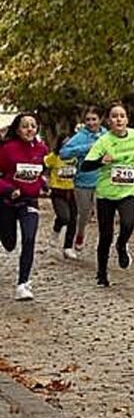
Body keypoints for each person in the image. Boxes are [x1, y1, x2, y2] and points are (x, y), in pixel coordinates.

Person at [80, 103, 134, 287]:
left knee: (128, 224)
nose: (118, 119)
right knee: (106, 235)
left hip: (128, 191)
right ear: (108, 121)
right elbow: (85, 166)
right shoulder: (103, 141)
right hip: (106, 193)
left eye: (122, 116)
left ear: (127, 119)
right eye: (114, 116)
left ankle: (122, 245)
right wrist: (100, 161)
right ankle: (102, 273)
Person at [0, 113, 49, 300]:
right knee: (9, 243)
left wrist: (43, 185)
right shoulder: (7, 149)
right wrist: (9, 189)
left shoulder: (41, 149)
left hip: (29, 202)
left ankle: (23, 284)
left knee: (29, 238)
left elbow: (39, 173)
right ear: (18, 129)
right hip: (7, 203)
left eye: (33, 126)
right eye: (25, 126)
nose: (30, 129)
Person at [59, 107, 106, 251]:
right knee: (84, 214)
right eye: (88, 120)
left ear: (100, 120)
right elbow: (63, 153)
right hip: (83, 182)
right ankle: (80, 234)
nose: (91, 123)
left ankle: (104, 242)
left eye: (94, 119)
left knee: (104, 214)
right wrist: (86, 148)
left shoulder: (107, 135)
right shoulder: (80, 136)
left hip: (104, 181)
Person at [45, 134, 80, 259]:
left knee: (73, 219)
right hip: (58, 192)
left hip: (72, 191)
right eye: (64, 143)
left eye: (70, 144)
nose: (67, 146)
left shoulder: (76, 157)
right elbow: (42, 165)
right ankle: (56, 232)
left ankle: (68, 247)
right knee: (64, 217)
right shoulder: (55, 156)